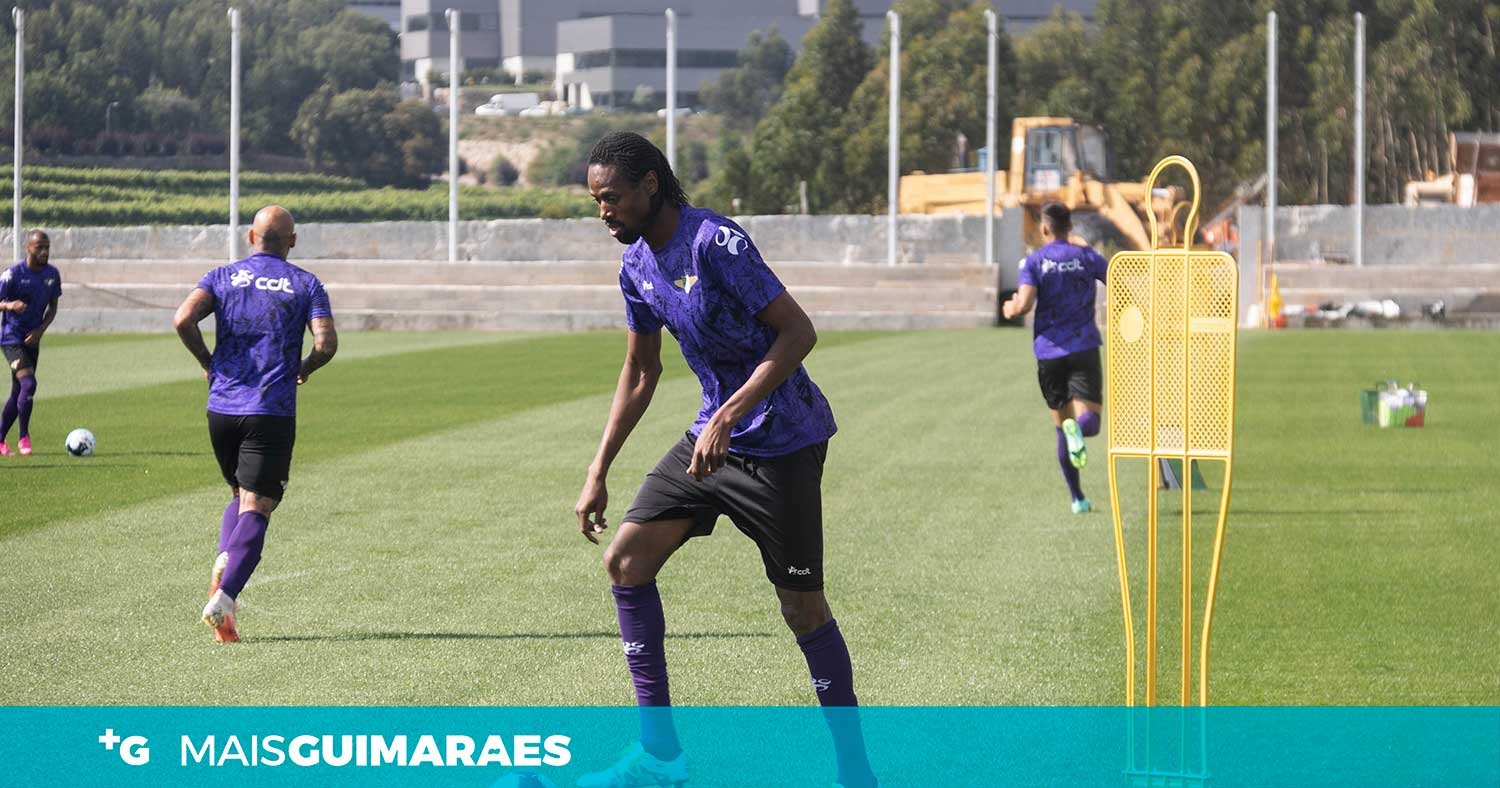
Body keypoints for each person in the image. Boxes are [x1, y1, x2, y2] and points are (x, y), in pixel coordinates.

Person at [573, 132, 876, 788]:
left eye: (612, 197)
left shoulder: (716, 242)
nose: (603, 212)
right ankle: (661, 757)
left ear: (651, 184)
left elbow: (798, 331)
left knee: (803, 612)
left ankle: (856, 772)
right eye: (597, 200)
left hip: (782, 444)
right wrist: (598, 470)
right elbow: (641, 371)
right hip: (711, 439)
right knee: (625, 560)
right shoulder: (636, 268)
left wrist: (730, 415)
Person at [173, 206, 337, 643]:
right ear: (293, 241)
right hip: (270, 410)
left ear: (251, 236)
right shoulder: (306, 284)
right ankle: (224, 598)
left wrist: (208, 362)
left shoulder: (221, 277)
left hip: (222, 409)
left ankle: (225, 559)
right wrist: (305, 367)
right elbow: (326, 343)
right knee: (259, 506)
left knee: (239, 494)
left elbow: (182, 318)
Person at [1001, 203, 1109, 514]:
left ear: (1045, 228)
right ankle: (1080, 431)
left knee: (1062, 427)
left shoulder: (1033, 261)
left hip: (1049, 353)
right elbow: (1120, 282)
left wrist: (1010, 307)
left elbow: (1024, 303)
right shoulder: (1087, 256)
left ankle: (1077, 498)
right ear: (1069, 226)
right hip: (1083, 347)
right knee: (1090, 422)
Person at [0, 231, 62, 457]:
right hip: (11, 338)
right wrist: (10, 305)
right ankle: (24, 436)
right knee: (29, 384)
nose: (44, 251)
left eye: (47, 247)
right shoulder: (13, 274)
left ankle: (0, 439)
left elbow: (53, 307)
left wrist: (40, 330)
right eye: (39, 247)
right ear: (28, 248)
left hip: (32, 339)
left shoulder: (52, 274)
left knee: (18, 391)